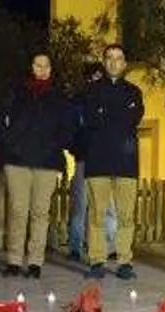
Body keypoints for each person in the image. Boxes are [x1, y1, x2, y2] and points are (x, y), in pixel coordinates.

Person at [0, 51, 72, 279]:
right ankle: (14, 261)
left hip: (46, 161)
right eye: (38, 65)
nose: (42, 69)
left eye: (46, 65)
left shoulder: (58, 96)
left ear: (51, 69)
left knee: (40, 212)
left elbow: (68, 127)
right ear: (30, 66)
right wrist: (9, 142)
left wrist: (56, 143)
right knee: (18, 211)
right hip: (17, 160)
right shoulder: (15, 91)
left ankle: (35, 262)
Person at [82, 44, 145, 280]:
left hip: (126, 162)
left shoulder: (134, 92)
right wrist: (116, 115)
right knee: (97, 214)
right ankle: (97, 260)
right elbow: (91, 118)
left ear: (125, 63)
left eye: (119, 58)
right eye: (109, 58)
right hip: (97, 160)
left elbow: (133, 118)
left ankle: (124, 261)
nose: (114, 62)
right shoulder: (91, 90)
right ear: (104, 61)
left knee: (126, 216)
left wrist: (105, 113)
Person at [66, 62, 117, 262]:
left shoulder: (111, 100)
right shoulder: (79, 102)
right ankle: (75, 248)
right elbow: (70, 130)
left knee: (108, 206)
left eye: (99, 76)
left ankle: (110, 247)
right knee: (80, 206)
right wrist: (76, 147)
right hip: (84, 159)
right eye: (92, 76)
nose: (96, 80)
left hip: (105, 159)